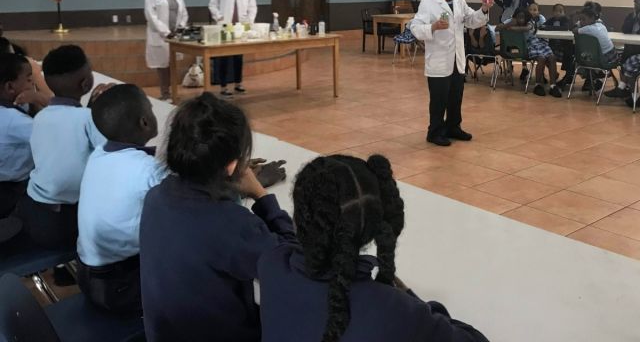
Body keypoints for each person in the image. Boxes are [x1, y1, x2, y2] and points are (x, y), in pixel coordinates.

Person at [257, 154, 490, 342]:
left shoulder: (271, 265)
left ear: (298, 218)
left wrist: (261, 196)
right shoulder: (394, 310)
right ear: (372, 228)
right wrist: (411, 298)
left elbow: (289, 242)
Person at [140, 92, 291, 342]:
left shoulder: (155, 196)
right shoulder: (233, 223)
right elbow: (290, 262)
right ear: (232, 166)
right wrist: (261, 195)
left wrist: (229, 189)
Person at [76, 84, 167, 315]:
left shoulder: (99, 154)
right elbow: (192, 195)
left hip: (89, 277)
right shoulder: (147, 169)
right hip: (120, 286)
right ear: (144, 122)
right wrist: (236, 180)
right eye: (150, 108)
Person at [17, 45, 108, 250]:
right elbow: (114, 154)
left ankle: (63, 269)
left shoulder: (40, 117)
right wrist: (103, 112)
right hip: (62, 222)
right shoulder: (88, 119)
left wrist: (90, 111)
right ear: (86, 83)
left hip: (34, 210)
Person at [410, 0, 490, 146]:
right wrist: (433, 27)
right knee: (439, 98)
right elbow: (414, 28)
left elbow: (471, 20)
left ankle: (453, 126)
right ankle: (435, 132)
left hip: (457, 58)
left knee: (456, 95)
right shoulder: (428, 3)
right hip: (439, 59)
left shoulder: (459, 0)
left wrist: (484, 9)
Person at [0, 53, 47, 222]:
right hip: (12, 193)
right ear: (10, 87)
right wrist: (41, 98)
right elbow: (57, 132)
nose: (32, 83)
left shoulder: (11, 109)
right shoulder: (14, 121)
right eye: (28, 79)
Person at [208, 0, 257, 96]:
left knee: (238, 56)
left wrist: (250, 21)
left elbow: (252, 6)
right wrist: (219, 17)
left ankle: (238, 83)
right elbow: (212, 4)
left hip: (241, 26)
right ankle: (223, 87)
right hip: (225, 26)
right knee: (224, 56)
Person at [145, 0, 188, 101]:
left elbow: (184, 13)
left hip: (175, 35)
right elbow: (151, 17)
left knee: (173, 65)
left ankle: (173, 92)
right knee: (162, 66)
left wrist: (180, 27)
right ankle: (165, 93)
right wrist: (166, 32)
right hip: (161, 36)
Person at [498, 8, 561, 97]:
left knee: (552, 58)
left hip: (539, 42)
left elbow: (524, 28)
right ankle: (538, 85)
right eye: (518, 17)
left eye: (522, 17)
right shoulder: (510, 21)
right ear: (515, 17)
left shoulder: (530, 23)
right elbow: (497, 28)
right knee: (541, 59)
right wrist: (509, 23)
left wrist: (510, 27)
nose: (520, 19)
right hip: (528, 46)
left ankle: (553, 86)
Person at [572, 3, 618, 71]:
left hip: (602, 59)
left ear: (592, 18)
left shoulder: (587, 29)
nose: (581, 22)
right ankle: (595, 76)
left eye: (583, 19)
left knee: (577, 56)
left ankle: (592, 76)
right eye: (580, 19)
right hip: (610, 56)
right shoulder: (601, 25)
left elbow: (574, 30)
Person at [543, 4, 575, 87]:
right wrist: (547, 27)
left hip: (564, 47)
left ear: (564, 13)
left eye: (561, 11)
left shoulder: (566, 19)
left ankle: (568, 76)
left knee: (570, 55)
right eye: (556, 11)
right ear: (553, 12)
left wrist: (549, 28)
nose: (558, 13)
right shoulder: (551, 20)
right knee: (544, 55)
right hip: (553, 46)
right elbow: (543, 26)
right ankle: (553, 72)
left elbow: (565, 28)